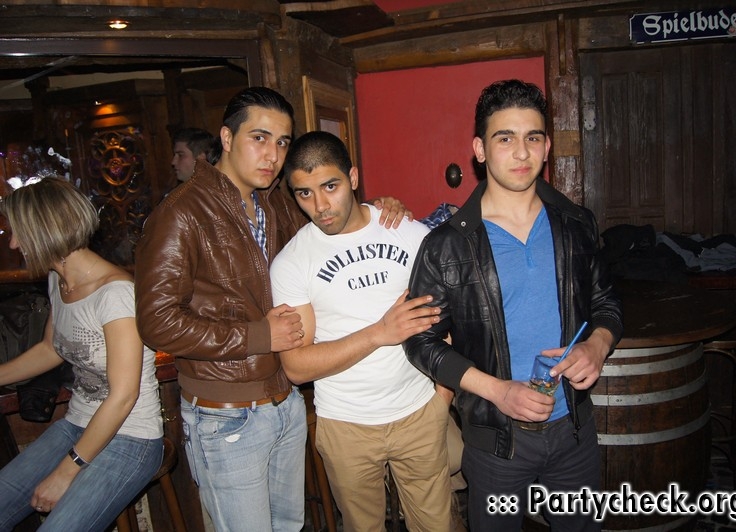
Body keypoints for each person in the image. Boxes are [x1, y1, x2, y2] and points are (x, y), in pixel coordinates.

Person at [134, 87, 409, 532]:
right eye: (259, 138)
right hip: (225, 413)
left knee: (290, 526)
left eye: (282, 142)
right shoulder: (181, 213)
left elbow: (334, 222)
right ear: (227, 138)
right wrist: (259, 335)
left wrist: (378, 211)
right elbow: (156, 322)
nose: (273, 155)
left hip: (285, 401)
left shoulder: (275, 201)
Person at [404, 79, 624, 532]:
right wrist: (497, 391)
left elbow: (606, 303)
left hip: (574, 429)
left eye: (533, 138)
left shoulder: (576, 224)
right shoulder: (446, 246)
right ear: (480, 150)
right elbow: (421, 342)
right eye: (505, 138)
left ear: (546, 147)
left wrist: (598, 345)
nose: (522, 152)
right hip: (496, 440)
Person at [270, 130, 452, 532]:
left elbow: (447, 323)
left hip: (419, 412)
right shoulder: (291, 263)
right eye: (304, 193)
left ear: (353, 178)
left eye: (330, 186)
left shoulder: (409, 234)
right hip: (345, 426)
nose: (320, 206)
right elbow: (296, 367)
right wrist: (378, 332)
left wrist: (442, 400)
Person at [0, 176, 163, 532]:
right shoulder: (59, 281)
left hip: (131, 436)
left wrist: (66, 471)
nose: (13, 243)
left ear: (44, 231)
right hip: (78, 423)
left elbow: (124, 396)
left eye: (18, 232)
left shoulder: (115, 293)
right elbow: (50, 350)